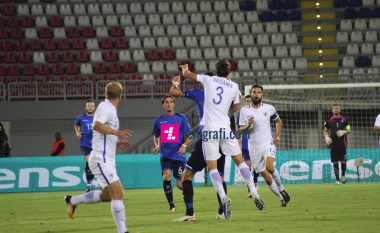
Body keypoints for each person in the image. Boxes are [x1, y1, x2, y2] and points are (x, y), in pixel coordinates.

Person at [180, 59, 264, 220]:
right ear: (229, 72)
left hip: (210, 130)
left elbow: (187, 75)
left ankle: (223, 197)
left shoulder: (209, 79)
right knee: (240, 161)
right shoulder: (233, 87)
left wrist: (185, 69)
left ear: (216, 70)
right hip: (226, 129)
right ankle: (253, 191)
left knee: (212, 168)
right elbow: (234, 109)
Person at [65, 82, 133, 233]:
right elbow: (97, 126)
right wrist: (117, 133)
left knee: (108, 195)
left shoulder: (110, 109)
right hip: (100, 159)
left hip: (106, 159)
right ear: (121, 95)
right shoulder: (105, 107)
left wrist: (116, 142)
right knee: (118, 193)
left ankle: (73, 200)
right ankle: (123, 231)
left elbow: (101, 134)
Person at [169, 74, 228, 221]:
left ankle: (190, 213)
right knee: (219, 176)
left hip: (207, 139)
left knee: (186, 176)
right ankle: (222, 211)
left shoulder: (201, 94)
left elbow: (173, 92)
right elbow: (235, 106)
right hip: (221, 138)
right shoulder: (228, 93)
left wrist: (176, 83)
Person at [239, 85, 291, 207]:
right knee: (267, 178)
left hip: (268, 144)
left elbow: (278, 121)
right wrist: (248, 125)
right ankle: (281, 197)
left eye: (258, 92)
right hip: (254, 148)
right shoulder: (244, 110)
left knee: (270, 167)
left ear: (262, 94)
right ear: (251, 94)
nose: (256, 94)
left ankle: (281, 188)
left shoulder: (269, 108)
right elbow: (240, 130)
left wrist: (277, 135)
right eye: (254, 92)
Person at [152, 95, 192, 213]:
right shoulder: (158, 120)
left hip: (179, 156)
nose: (169, 104)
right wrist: (157, 145)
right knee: (167, 176)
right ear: (163, 105)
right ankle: (171, 205)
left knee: (180, 184)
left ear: (174, 104)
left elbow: (189, 135)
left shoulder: (181, 118)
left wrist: (184, 145)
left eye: (171, 102)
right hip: (165, 156)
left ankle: (189, 202)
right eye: (166, 102)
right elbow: (155, 135)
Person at [236, 95, 260, 195]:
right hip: (246, 141)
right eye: (246, 101)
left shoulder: (258, 112)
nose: (247, 102)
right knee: (247, 166)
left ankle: (255, 180)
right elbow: (238, 128)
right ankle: (250, 188)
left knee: (257, 166)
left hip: (256, 141)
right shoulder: (241, 113)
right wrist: (238, 139)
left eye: (249, 101)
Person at [323, 104, 351, 185]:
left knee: (343, 161)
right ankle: (337, 180)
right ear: (332, 110)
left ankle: (343, 176)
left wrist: (344, 131)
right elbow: (325, 130)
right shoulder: (329, 119)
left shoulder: (345, 119)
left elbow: (349, 130)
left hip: (342, 144)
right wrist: (326, 137)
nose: (336, 109)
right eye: (334, 108)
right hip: (333, 144)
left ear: (340, 110)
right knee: (335, 162)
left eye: (337, 108)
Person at [74, 100, 96, 192]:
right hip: (85, 144)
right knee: (89, 162)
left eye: (91, 106)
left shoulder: (98, 117)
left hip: (96, 144)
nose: (90, 107)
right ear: (86, 107)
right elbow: (76, 125)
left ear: (94, 108)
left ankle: (101, 184)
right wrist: (77, 133)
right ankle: (89, 185)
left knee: (95, 164)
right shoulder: (81, 118)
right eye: (88, 106)